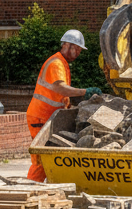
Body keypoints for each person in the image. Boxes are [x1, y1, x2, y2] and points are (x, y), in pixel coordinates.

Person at [26, 29, 101, 181]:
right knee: (41, 160)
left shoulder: (63, 64)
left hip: (49, 117)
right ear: (68, 46)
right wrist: (84, 92)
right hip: (41, 116)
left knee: (50, 158)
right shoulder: (56, 63)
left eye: (80, 50)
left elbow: (60, 95)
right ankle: (29, 192)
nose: (78, 53)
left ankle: (41, 190)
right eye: (77, 49)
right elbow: (60, 88)